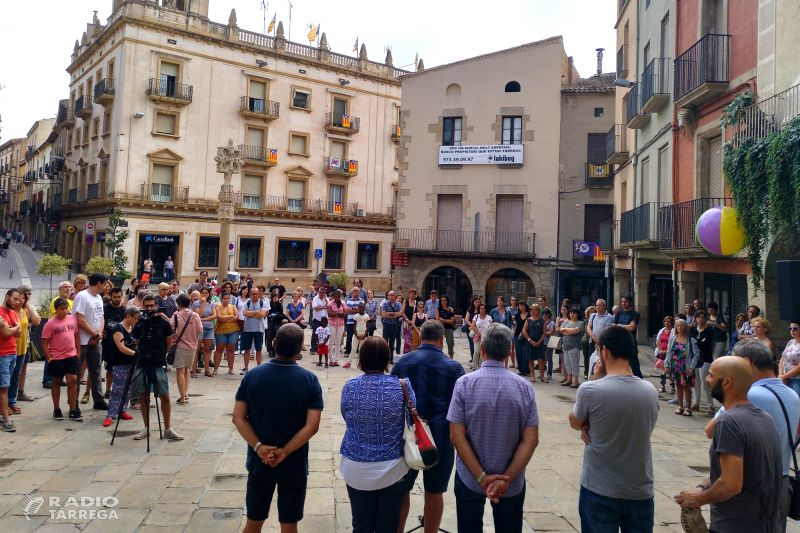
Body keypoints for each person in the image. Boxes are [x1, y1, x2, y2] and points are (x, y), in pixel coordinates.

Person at [447, 323, 539, 533]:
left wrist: (481, 477)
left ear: (484, 350)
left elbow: (456, 435)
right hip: (511, 480)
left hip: (470, 477)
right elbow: (531, 439)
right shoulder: (524, 387)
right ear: (509, 352)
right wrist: (507, 477)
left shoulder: (464, 384)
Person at [675, 356, 782, 533]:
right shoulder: (765, 418)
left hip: (735, 525)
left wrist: (699, 499)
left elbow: (731, 483)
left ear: (727, 383)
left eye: (710, 376)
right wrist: (702, 487)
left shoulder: (728, 422)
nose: (707, 380)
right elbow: (739, 471)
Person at [233, 324, 323, 533]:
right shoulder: (309, 380)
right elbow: (312, 425)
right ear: (300, 347)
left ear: (274, 343)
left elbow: (238, 418)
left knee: (253, 521)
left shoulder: (253, 376)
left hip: (260, 461)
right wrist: (285, 451)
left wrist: (259, 447)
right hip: (293, 461)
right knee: (289, 524)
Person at [570, 325, 659, 532]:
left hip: (600, 488)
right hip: (639, 488)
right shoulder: (650, 391)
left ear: (605, 351)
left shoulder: (590, 390)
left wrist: (587, 422)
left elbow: (575, 421)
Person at [706, 341, 800, 532]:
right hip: (781, 485)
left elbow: (710, 430)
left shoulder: (750, 394)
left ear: (746, 363)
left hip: (752, 488)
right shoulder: (792, 394)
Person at [392, 320, 465, 533]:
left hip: (408, 436)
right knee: (434, 492)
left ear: (420, 337)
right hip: (441, 436)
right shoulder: (453, 367)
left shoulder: (403, 362)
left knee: (402, 490)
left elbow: (392, 397)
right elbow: (460, 406)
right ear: (441, 339)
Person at [341, 336, 416, 532]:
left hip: (356, 467)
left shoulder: (350, 387)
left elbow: (347, 416)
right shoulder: (402, 386)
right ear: (386, 359)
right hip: (392, 468)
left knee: (361, 524)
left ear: (362, 359)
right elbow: (412, 419)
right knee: (388, 526)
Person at [130, 294, 182, 441]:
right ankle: (146, 428)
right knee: (143, 395)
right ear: (142, 306)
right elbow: (138, 343)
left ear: (156, 305)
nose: (149, 308)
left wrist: (161, 355)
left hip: (158, 362)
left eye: (151, 305)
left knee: (164, 395)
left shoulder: (163, 323)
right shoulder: (139, 324)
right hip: (143, 362)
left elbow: (169, 342)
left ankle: (167, 428)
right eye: (146, 306)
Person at [40, 298, 82, 422]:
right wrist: (49, 358)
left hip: (71, 355)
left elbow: (76, 336)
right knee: (56, 382)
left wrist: (78, 352)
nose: (64, 311)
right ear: (56, 310)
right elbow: (44, 341)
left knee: (73, 380)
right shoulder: (50, 323)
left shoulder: (72, 320)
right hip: (57, 357)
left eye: (66, 308)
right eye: (61, 309)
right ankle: (56, 408)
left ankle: (73, 409)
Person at [73, 273, 109, 411]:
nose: (106, 287)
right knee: (77, 372)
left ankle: (98, 400)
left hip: (96, 340)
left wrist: (99, 334)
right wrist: (94, 334)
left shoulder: (99, 297)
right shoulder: (82, 296)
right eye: (105, 283)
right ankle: (73, 402)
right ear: (98, 283)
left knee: (96, 371)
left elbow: (101, 317)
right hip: (81, 341)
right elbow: (80, 319)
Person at [102, 306, 140, 427]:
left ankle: (122, 410)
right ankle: (110, 414)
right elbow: (122, 348)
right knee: (117, 389)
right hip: (120, 362)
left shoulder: (132, 327)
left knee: (128, 387)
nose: (136, 320)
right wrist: (136, 354)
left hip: (131, 362)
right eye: (135, 318)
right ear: (128, 316)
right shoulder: (118, 328)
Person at [8, 286, 40, 412]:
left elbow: (37, 321)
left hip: (23, 346)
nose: (21, 300)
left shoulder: (26, 309)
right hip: (9, 348)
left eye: (24, 297)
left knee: (16, 375)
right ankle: (4, 403)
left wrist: (27, 306)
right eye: (19, 298)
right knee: (7, 376)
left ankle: (12, 401)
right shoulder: (8, 311)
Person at [172, 294, 202, 403]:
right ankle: (186, 393)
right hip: (193, 346)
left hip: (180, 346)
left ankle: (183, 397)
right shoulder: (195, 315)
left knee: (180, 370)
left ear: (179, 304)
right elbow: (200, 330)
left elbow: (171, 330)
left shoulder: (176, 315)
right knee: (187, 370)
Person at [667, 319, 700, 416]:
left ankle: (688, 408)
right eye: (677, 325)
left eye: (681, 325)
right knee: (678, 386)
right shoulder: (673, 339)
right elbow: (669, 352)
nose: (679, 327)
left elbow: (696, 354)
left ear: (685, 327)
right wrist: (666, 365)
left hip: (686, 366)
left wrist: (692, 367)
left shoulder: (691, 340)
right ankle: (680, 406)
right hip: (675, 366)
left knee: (686, 387)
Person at [0, 290, 20, 432]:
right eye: (15, 299)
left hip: (13, 352)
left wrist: (12, 328)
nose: (18, 302)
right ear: (7, 297)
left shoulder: (13, 313)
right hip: (2, 355)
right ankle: (5, 419)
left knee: (5, 386)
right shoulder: (1, 312)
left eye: (20, 300)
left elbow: (18, 332)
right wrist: (14, 328)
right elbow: (6, 333)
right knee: (4, 387)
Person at [102, 288, 126, 399]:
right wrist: (101, 332)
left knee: (120, 369)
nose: (116, 299)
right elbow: (100, 321)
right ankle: (108, 390)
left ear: (122, 297)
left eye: (118, 297)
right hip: (107, 344)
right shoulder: (105, 308)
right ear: (110, 297)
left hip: (120, 344)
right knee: (110, 369)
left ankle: (119, 390)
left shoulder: (124, 310)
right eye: (114, 297)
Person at [692, 310, 716, 414]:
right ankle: (695, 402)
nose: (700, 319)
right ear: (696, 318)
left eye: (703, 317)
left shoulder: (709, 330)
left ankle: (710, 405)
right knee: (695, 382)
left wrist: (697, 342)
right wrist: (699, 342)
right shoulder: (693, 329)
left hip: (706, 358)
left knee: (704, 381)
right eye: (699, 317)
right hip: (694, 358)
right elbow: (692, 343)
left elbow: (705, 344)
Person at [613, 295, 642, 378]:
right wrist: (625, 326)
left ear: (630, 302)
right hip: (619, 343)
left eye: (625, 301)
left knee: (635, 368)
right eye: (622, 301)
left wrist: (618, 325)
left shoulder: (635, 314)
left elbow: (632, 328)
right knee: (619, 368)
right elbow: (614, 326)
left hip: (630, 343)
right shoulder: (619, 313)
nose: (623, 303)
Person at [241, 288, 268, 375]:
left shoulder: (262, 303)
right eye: (253, 294)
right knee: (247, 349)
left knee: (259, 349)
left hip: (259, 329)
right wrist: (256, 312)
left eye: (256, 293)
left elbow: (262, 315)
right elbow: (244, 313)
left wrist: (251, 313)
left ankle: (259, 368)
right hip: (247, 329)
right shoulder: (247, 302)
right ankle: (245, 368)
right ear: (250, 294)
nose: (255, 295)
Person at [586, 299, 614, 378]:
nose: (597, 307)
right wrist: (594, 339)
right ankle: (592, 378)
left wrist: (599, 342)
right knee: (592, 361)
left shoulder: (609, 317)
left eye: (600, 305)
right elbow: (588, 328)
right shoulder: (593, 315)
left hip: (603, 343)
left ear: (604, 306)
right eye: (596, 305)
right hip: (593, 342)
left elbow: (607, 330)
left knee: (602, 362)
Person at [191, 288, 217, 376]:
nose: (205, 295)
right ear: (200, 294)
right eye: (203, 293)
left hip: (209, 328)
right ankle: (194, 370)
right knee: (197, 350)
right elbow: (198, 314)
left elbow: (214, 315)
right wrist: (202, 303)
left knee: (208, 349)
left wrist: (205, 319)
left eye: (206, 293)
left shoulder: (211, 304)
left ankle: (207, 370)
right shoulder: (196, 303)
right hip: (199, 328)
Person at [213, 292, 239, 376]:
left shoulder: (233, 306)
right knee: (219, 349)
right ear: (222, 299)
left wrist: (227, 319)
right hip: (221, 331)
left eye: (228, 298)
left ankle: (231, 369)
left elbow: (237, 317)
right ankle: (215, 369)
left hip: (233, 330)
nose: (227, 300)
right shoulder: (218, 307)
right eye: (225, 298)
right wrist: (231, 316)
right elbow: (220, 318)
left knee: (231, 349)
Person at [559, 307, 584, 388]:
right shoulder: (566, 321)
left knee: (574, 364)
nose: (572, 314)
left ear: (577, 314)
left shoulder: (580, 323)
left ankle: (575, 381)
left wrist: (566, 330)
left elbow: (575, 331)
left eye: (574, 313)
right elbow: (561, 330)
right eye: (571, 313)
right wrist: (569, 331)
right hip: (565, 346)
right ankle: (569, 380)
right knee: (567, 364)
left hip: (574, 346)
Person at [521, 304, 545, 381]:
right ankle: (533, 376)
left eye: (536, 309)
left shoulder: (542, 320)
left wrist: (539, 342)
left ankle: (542, 376)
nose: (534, 311)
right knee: (530, 359)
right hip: (530, 342)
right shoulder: (528, 320)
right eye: (532, 309)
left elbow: (544, 332)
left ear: (539, 311)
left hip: (539, 343)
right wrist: (530, 340)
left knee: (541, 360)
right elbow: (524, 331)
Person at [469, 304, 493, 371]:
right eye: (480, 308)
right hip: (477, 336)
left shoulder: (489, 317)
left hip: (486, 337)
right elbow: (473, 326)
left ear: (485, 309)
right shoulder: (476, 316)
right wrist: (478, 332)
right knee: (476, 351)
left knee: (483, 352)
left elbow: (490, 327)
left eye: (483, 308)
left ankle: (481, 365)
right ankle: (474, 365)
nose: (482, 310)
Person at [779, 321, 800, 397]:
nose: (792, 330)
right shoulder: (791, 342)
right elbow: (782, 359)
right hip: (785, 378)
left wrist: (784, 377)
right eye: (790, 328)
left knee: (796, 401)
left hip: (797, 380)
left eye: (795, 329)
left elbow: (799, 368)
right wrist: (781, 375)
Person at [380, 291, 403, 360]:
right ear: (387, 296)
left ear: (395, 296)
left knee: (392, 342)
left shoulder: (398, 304)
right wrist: (394, 315)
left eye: (392, 295)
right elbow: (384, 314)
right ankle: (384, 358)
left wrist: (389, 314)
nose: (390, 297)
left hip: (394, 325)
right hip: (386, 325)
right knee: (385, 342)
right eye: (389, 295)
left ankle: (391, 358)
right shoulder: (385, 304)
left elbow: (400, 314)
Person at [327, 290, 346, 367]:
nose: (338, 297)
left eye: (339, 296)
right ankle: (331, 360)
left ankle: (336, 360)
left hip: (341, 325)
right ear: (334, 295)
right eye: (336, 295)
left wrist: (335, 314)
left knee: (338, 343)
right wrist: (339, 314)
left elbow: (345, 314)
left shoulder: (343, 303)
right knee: (331, 342)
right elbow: (329, 314)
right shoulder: (330, 303)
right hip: (331, 324)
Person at [655, 316, 674, 393]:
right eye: (665, 321)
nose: (667, 323)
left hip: (670, 353)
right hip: (661, 353)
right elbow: (658, 340)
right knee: (662, 371)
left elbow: (673, 342)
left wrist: (666, 350)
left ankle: (673, 387)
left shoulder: (673, 331)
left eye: (668, 321)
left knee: (670, 370)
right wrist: (660, 349)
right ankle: (662, 386)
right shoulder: (662, 330)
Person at [344, 287, 364, 357]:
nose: (356, 293)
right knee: (349, 337)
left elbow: (361, 310)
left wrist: (352, 308)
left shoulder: (362, 300)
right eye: (355, 291)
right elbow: (347, 310)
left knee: (359, 336)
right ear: (352, 292)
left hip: (358, 322)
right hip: (350, 321)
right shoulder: (348, 300)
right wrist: (355, 309)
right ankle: (347, 351)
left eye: (357, 291)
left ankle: (359, 351)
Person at [513, 302, 531, 377]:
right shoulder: (517, 315)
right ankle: (521, 370)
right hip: (517, 335)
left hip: (526, 336)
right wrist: (514, 334)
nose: (520, 306)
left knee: (525, 353)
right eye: (519, 305)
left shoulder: (529, 315)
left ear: (525, 306)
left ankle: (527, 370)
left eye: (522, 305)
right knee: (518, 353)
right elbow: (516, 325)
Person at [310, 287, 328, 355]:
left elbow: (329, 306)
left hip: (324, 320)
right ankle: (313, 349)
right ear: (318, 292)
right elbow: (315, 308)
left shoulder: (326, 299)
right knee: (315, 334)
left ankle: (319, 348)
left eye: (323, 293)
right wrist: (323, 307)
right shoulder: (315, 298)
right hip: (317, 319)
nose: (321, 294)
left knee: (322, 335)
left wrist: (326, 301)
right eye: (320, 292)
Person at [401, 289, 419, 354]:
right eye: (411, 294)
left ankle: (413, 354)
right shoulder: (405, 302)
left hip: (414, 323)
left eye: (413, 294)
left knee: (414, 340)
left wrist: (413, 321)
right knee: (407, 340)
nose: (412, 295)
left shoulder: (417, 303)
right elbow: (402, 312)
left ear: (415, 295)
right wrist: (407, 320)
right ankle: (406, 354)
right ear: (409, 294)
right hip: (407, 323)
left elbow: (418, 312)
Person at [464, 296, 481, 361]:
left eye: (479, 302)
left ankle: (478, 358)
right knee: (471, 344)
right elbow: (467, 320)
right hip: (471, 329)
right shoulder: (470, 310)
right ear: (473, 302)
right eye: (476, 302)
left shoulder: (481, 309)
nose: (477, 303)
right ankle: (473, 358)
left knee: (478, 344)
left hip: (479, 329)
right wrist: (473, 326)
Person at [581, 305, 596, 380]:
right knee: (586, 357)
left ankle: (593, 372)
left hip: (594, 341)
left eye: (594, 312)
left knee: (593, 358)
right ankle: (586, 372)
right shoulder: (586, 321)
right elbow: (585, 331)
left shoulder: (597, 320)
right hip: (586, 340)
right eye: (590, 312)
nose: (592, 313)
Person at [542, 308, 557, 381]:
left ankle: (549, 374)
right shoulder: (542, 321)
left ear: (549, 314)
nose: (545, 315)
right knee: (543, 358)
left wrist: (544, 332)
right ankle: (542, 373)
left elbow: (550, 332)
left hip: (551, 342)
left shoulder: (552, 323)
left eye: (546, 314)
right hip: (543, 342)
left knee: (549, 358)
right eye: (544, 314)